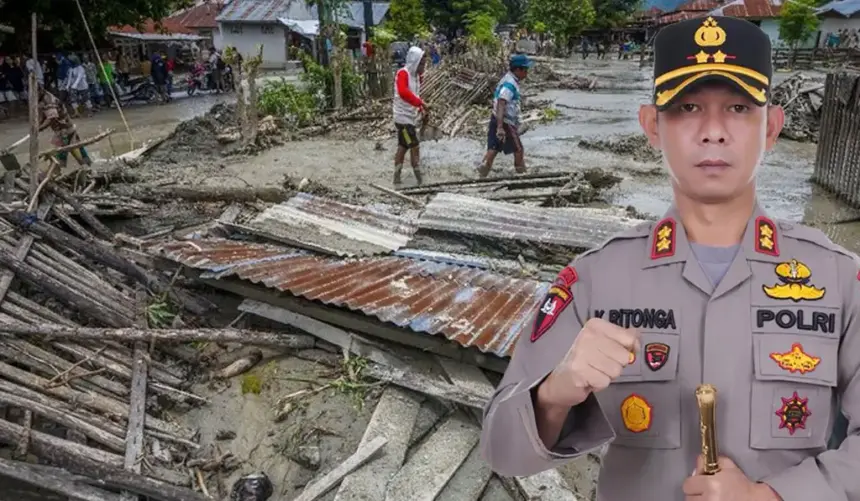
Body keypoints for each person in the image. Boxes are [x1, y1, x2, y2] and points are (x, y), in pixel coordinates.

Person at [480, 16, 860, 501]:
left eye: (739, 107)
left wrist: (773, 496)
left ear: (772, 128)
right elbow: (501, 451)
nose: (713, 132)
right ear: (652, 126)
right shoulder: (596, 280)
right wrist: (554, 392)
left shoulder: (837, 279)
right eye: (687, 108)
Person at [478, 53, 531, 178]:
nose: (527, 73)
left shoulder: (508, 79)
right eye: (525, 70)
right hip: (505, 121)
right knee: (518, 149)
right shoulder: (510, 84)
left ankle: (481, 173)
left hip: (497, 117)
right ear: (518, 70)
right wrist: (501, 127)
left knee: (494, 147)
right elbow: (502, 102)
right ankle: (522, 177)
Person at [392, 46, 428, 186]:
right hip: (403, 119)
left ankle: (397, 177)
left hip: (410, 117)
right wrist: (421, 103)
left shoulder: (416, 77)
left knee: (403, 146)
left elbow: (415, 96)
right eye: (421, 64)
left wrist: (420, 108)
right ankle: (419, 179)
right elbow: (403, 92)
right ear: (415, 62)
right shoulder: (403, 73)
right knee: (414, 145)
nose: (423, 67)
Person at [38, 85, 92, 168]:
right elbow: (43, 115)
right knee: (74, 148)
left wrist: (40, 128)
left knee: (56, 153)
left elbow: (52, 118)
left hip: (63, 130)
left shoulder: (48, 100)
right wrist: (39, 124)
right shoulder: (43, 98)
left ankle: (53, 172)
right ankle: (86, 168)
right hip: (66, 128)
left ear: (40, 91)